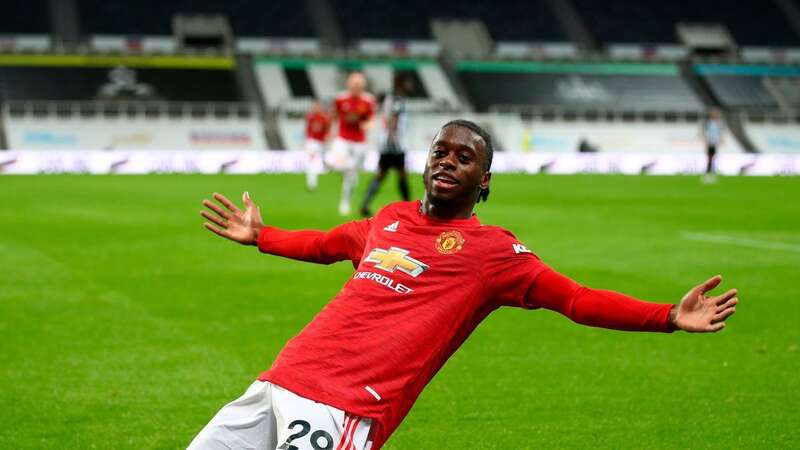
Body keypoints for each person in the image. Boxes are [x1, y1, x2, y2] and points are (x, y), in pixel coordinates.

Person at [194, 120, 739, 450]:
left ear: (485, 181)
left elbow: (574, 300)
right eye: (440, 152)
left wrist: (666, 314)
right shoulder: (387, 218)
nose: (447, 162)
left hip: (343, 408)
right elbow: (324, 244)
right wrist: (263, 236)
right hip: (282, 380)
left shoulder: (494, 253)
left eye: (464, 157)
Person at [359, 72, 414, 217]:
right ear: (401, 83)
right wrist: (392, 140)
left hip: (388, 144)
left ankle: (365, 204)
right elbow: (393, 119)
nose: (410, 85)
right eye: (408, 82)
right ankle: (409, 207)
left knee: (382, 175)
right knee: (400, 175)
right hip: (394, 145)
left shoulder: (391, 97)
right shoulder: (397, 98)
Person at [326, 72, 376, 215]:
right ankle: (340, 168)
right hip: (342, 138)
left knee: (352, 176)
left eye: (359, 84)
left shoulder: (368, 100)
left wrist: (369, 125)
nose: (356, 86)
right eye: (354, 84)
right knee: (338, 163)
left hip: (360, 142)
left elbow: (371, 118)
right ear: (348, 84)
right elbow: (333, 115)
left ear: (363, 85)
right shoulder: (340, 99)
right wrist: (329, 131)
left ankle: (345, 201)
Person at [304, 99, 331, 191]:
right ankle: (312, 184)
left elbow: (327, 130)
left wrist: (327, 137)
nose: (315, 108)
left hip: (322, 143)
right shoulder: (310, 117)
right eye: (314, 106)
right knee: (311, 162)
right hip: (312, 142)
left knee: (323, 161)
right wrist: (307, 141)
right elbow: (308, 130)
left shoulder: (325, 118)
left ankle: (325, 169)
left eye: (317, 106)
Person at [701, 108, 725, 183]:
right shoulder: (708, 123)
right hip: (710, 143)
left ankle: (712, 172)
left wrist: (720, 140)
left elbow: (719, 133)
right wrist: (706, 142)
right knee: (710, 158)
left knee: (713, 158)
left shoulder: (718, 123)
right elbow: (705, 133)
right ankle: (708, 173)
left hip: (714, 143)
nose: (716, 115)